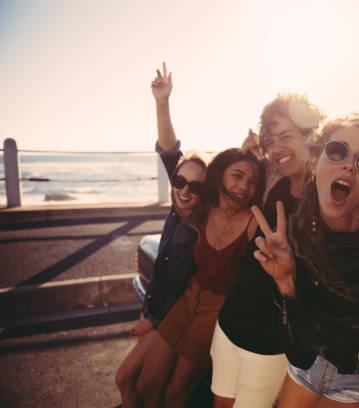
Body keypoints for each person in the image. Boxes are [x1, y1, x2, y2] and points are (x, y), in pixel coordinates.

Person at [121, 63, 265, 408]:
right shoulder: (199, 207)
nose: (243, 186)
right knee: (143, 383)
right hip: (182, 303)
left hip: (214, 313)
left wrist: (261, 153)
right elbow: (172, 154)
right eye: (236, 177)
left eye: (251, 180)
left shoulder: (246, 217)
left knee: (173, 393)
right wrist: (162, 103)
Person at [251, 115, 359, 407]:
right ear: (316, 163)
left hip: (357, 378)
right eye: (337, 151)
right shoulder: (295, 234)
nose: (349, 165)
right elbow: (301, 352)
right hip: (307, 366)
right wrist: (286, 282)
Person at [210, 94, 324, 408]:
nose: (276, 149)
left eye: (286, 137)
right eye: (270, 142)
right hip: (230, 323)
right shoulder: (275, 185)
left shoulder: (329, 200)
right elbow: (252, 168)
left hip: (267, 342)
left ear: (310, 136)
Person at [115, 138, 207, 408]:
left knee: (141, 385)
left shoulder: (200, 227)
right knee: (128, 381)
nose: (185, 190)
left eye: (196, 186)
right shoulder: (176, 213)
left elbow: (181, 288)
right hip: (156, 315)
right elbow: (169, 152)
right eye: (179, 181)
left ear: (206, 191)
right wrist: (161, 103)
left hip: (172, 321)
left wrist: (152, 321)